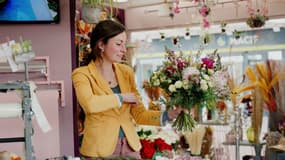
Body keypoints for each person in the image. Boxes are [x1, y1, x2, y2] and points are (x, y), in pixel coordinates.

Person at [72, 19, 183, 159]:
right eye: (118, 44)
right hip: (99, 151)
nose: (124, 50)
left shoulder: (126, 72)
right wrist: (121, 97)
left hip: (130, 148)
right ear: (101, 44)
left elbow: (139, 114)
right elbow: (90, 104)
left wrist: (167, 115)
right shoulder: (82, 74)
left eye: (124, 44)